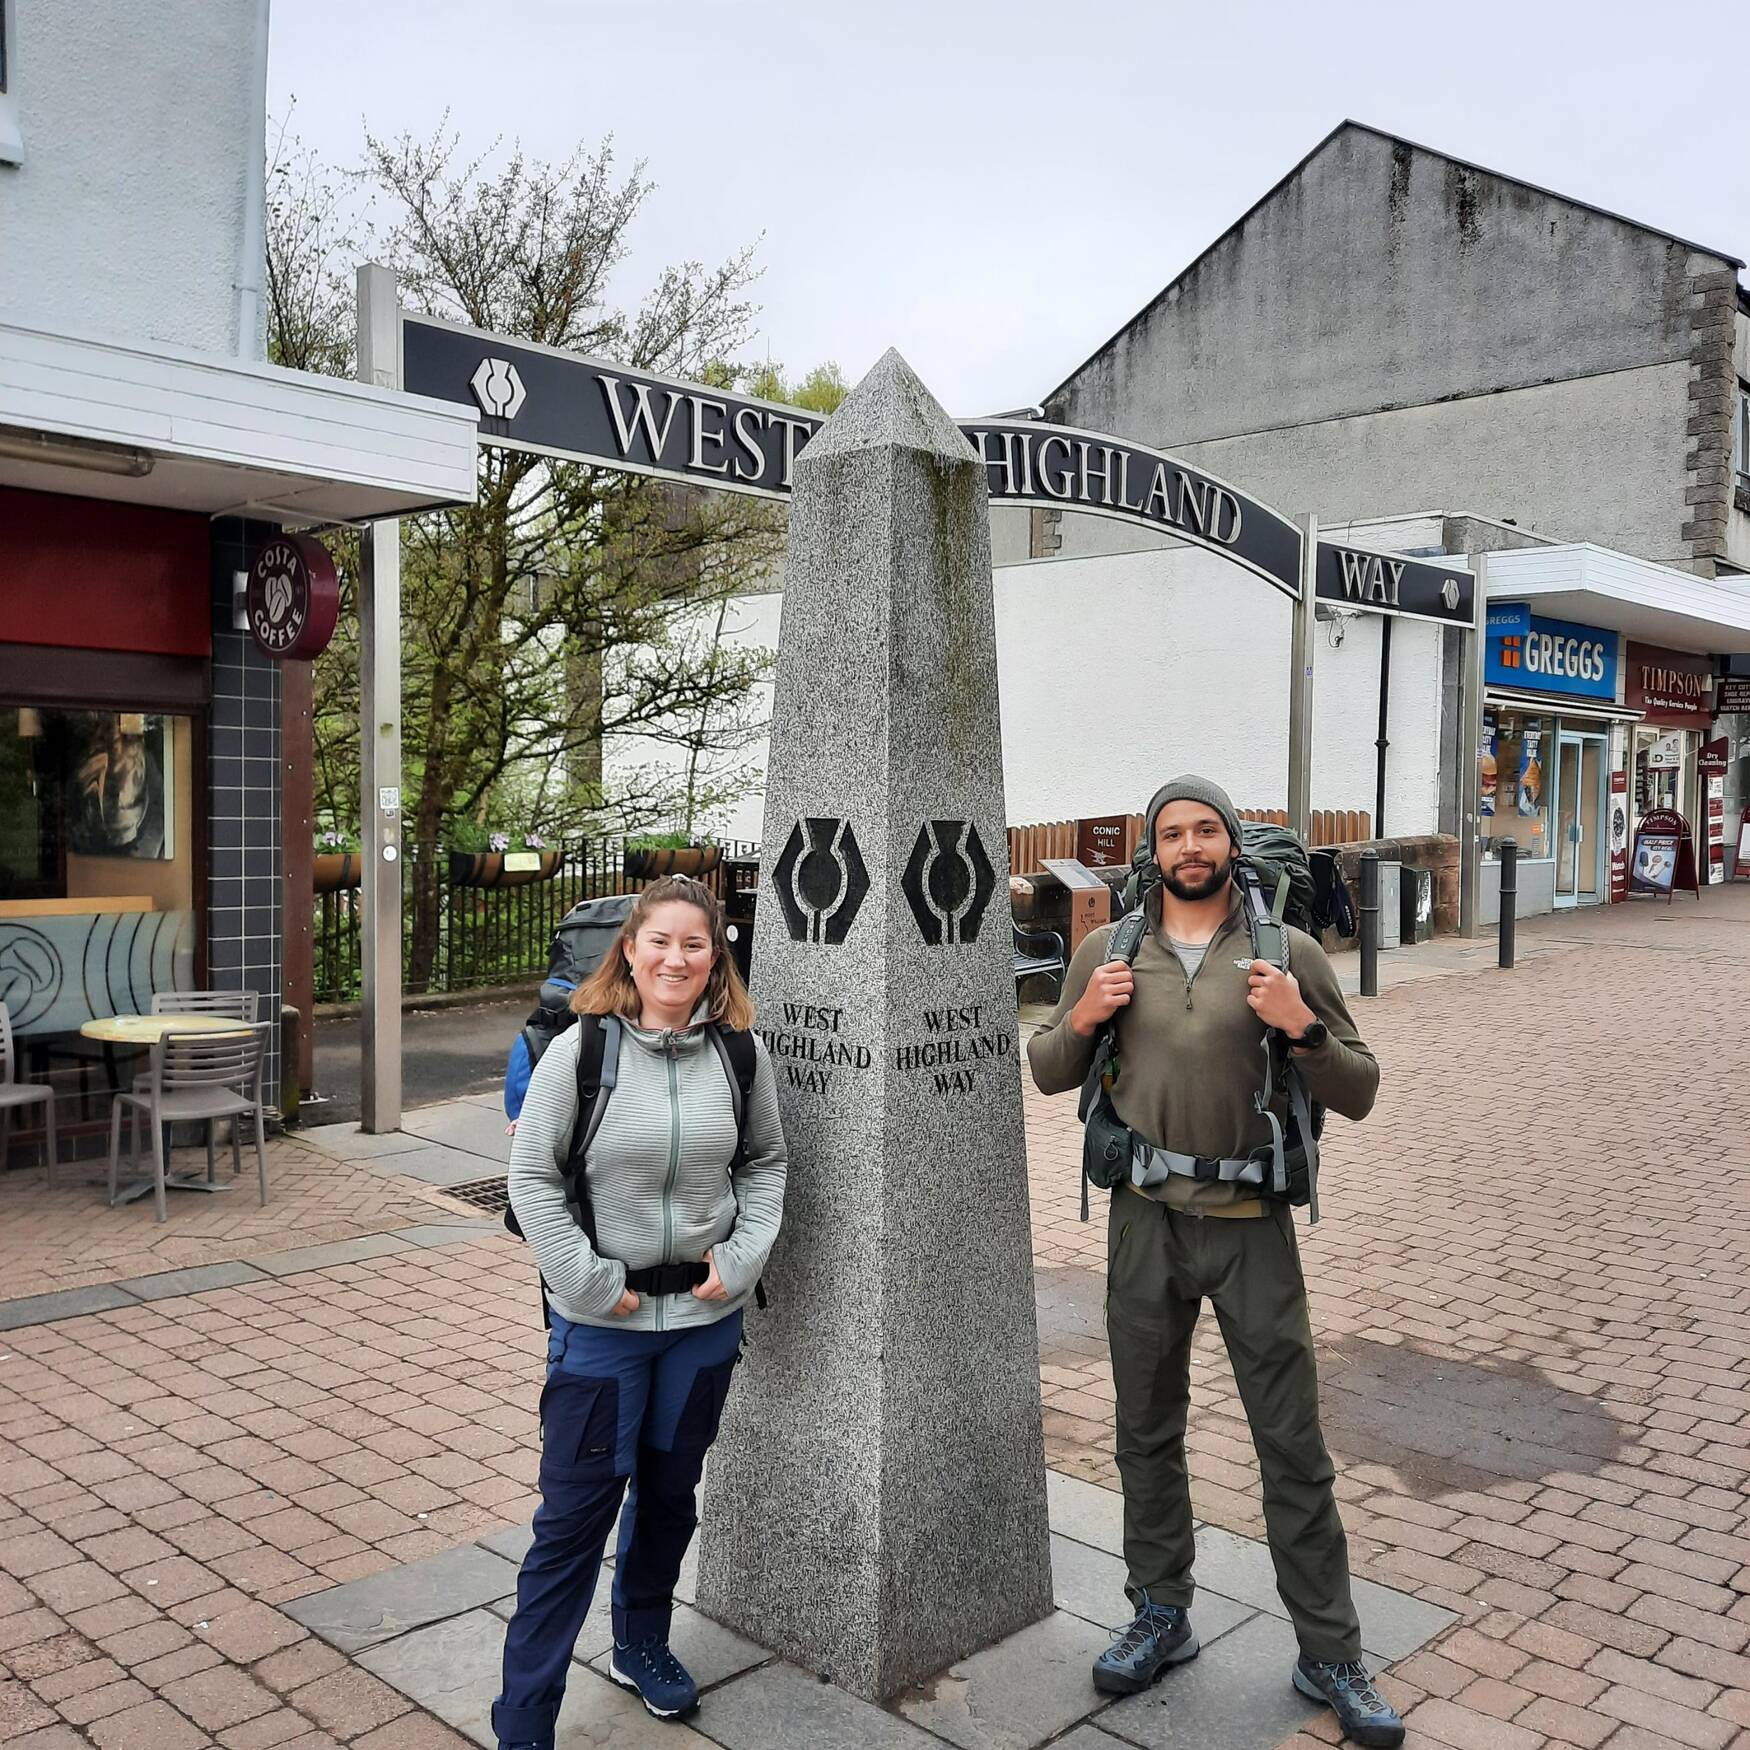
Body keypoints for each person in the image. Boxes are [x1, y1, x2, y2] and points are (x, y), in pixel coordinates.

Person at [1027, 776, 1403, 1750]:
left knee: (1292, 1443)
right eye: (1172, 832)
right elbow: (1046, 1068)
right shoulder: (1106, 952)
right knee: (1144, 1431)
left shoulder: (1290, 955)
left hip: (1251, 1228)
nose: (1188, 845)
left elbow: (1356, 1088)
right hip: (1142, 1221)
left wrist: (1301, 1025)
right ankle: (1161, 1610)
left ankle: (1329, 1647)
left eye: (1205, 830)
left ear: (1231, 843)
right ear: (1152, 851)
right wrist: (1081, 1016)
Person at [491, 875, 787, 1749]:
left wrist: (739, 1263)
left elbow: (766, 1163)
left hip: (702, 1326)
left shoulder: (739, 1054)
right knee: (573, 1520)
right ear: (630, 948)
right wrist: (585, 1283)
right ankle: (525, 1716)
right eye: (660, 941)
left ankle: (641, 1643)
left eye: (695, 944)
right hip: (601, 1329)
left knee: (668, 1495)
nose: (677, 958)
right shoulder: (580, 1054)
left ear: (714, 957)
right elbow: (532, 1179)